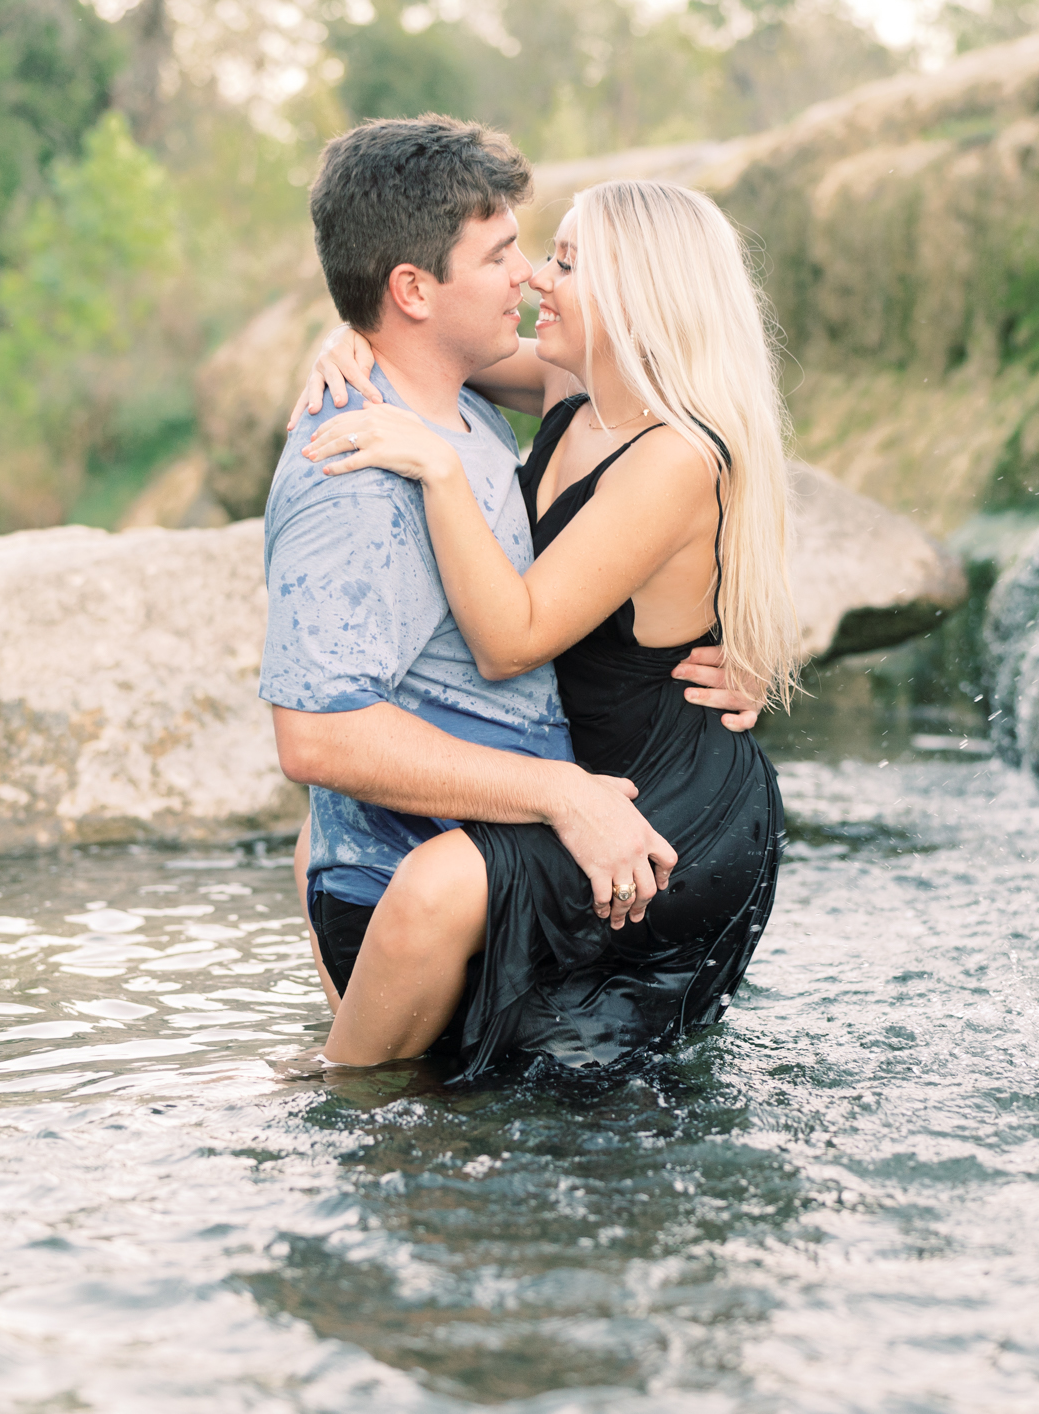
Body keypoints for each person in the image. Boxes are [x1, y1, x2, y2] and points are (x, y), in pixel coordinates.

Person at [262, 117, 787, 1081]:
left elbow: (511, 640)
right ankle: (398, 1068)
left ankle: (340, 1090)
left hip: (660, 792)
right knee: (329, 837)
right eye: (532, 255)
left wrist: (441, 475)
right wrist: (349, 331)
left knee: (437, 891)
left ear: (638, 297)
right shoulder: (565, 385)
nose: (538, 276)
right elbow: (415, 327)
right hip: (575, 761)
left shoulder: (674, 453)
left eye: (565, 262)